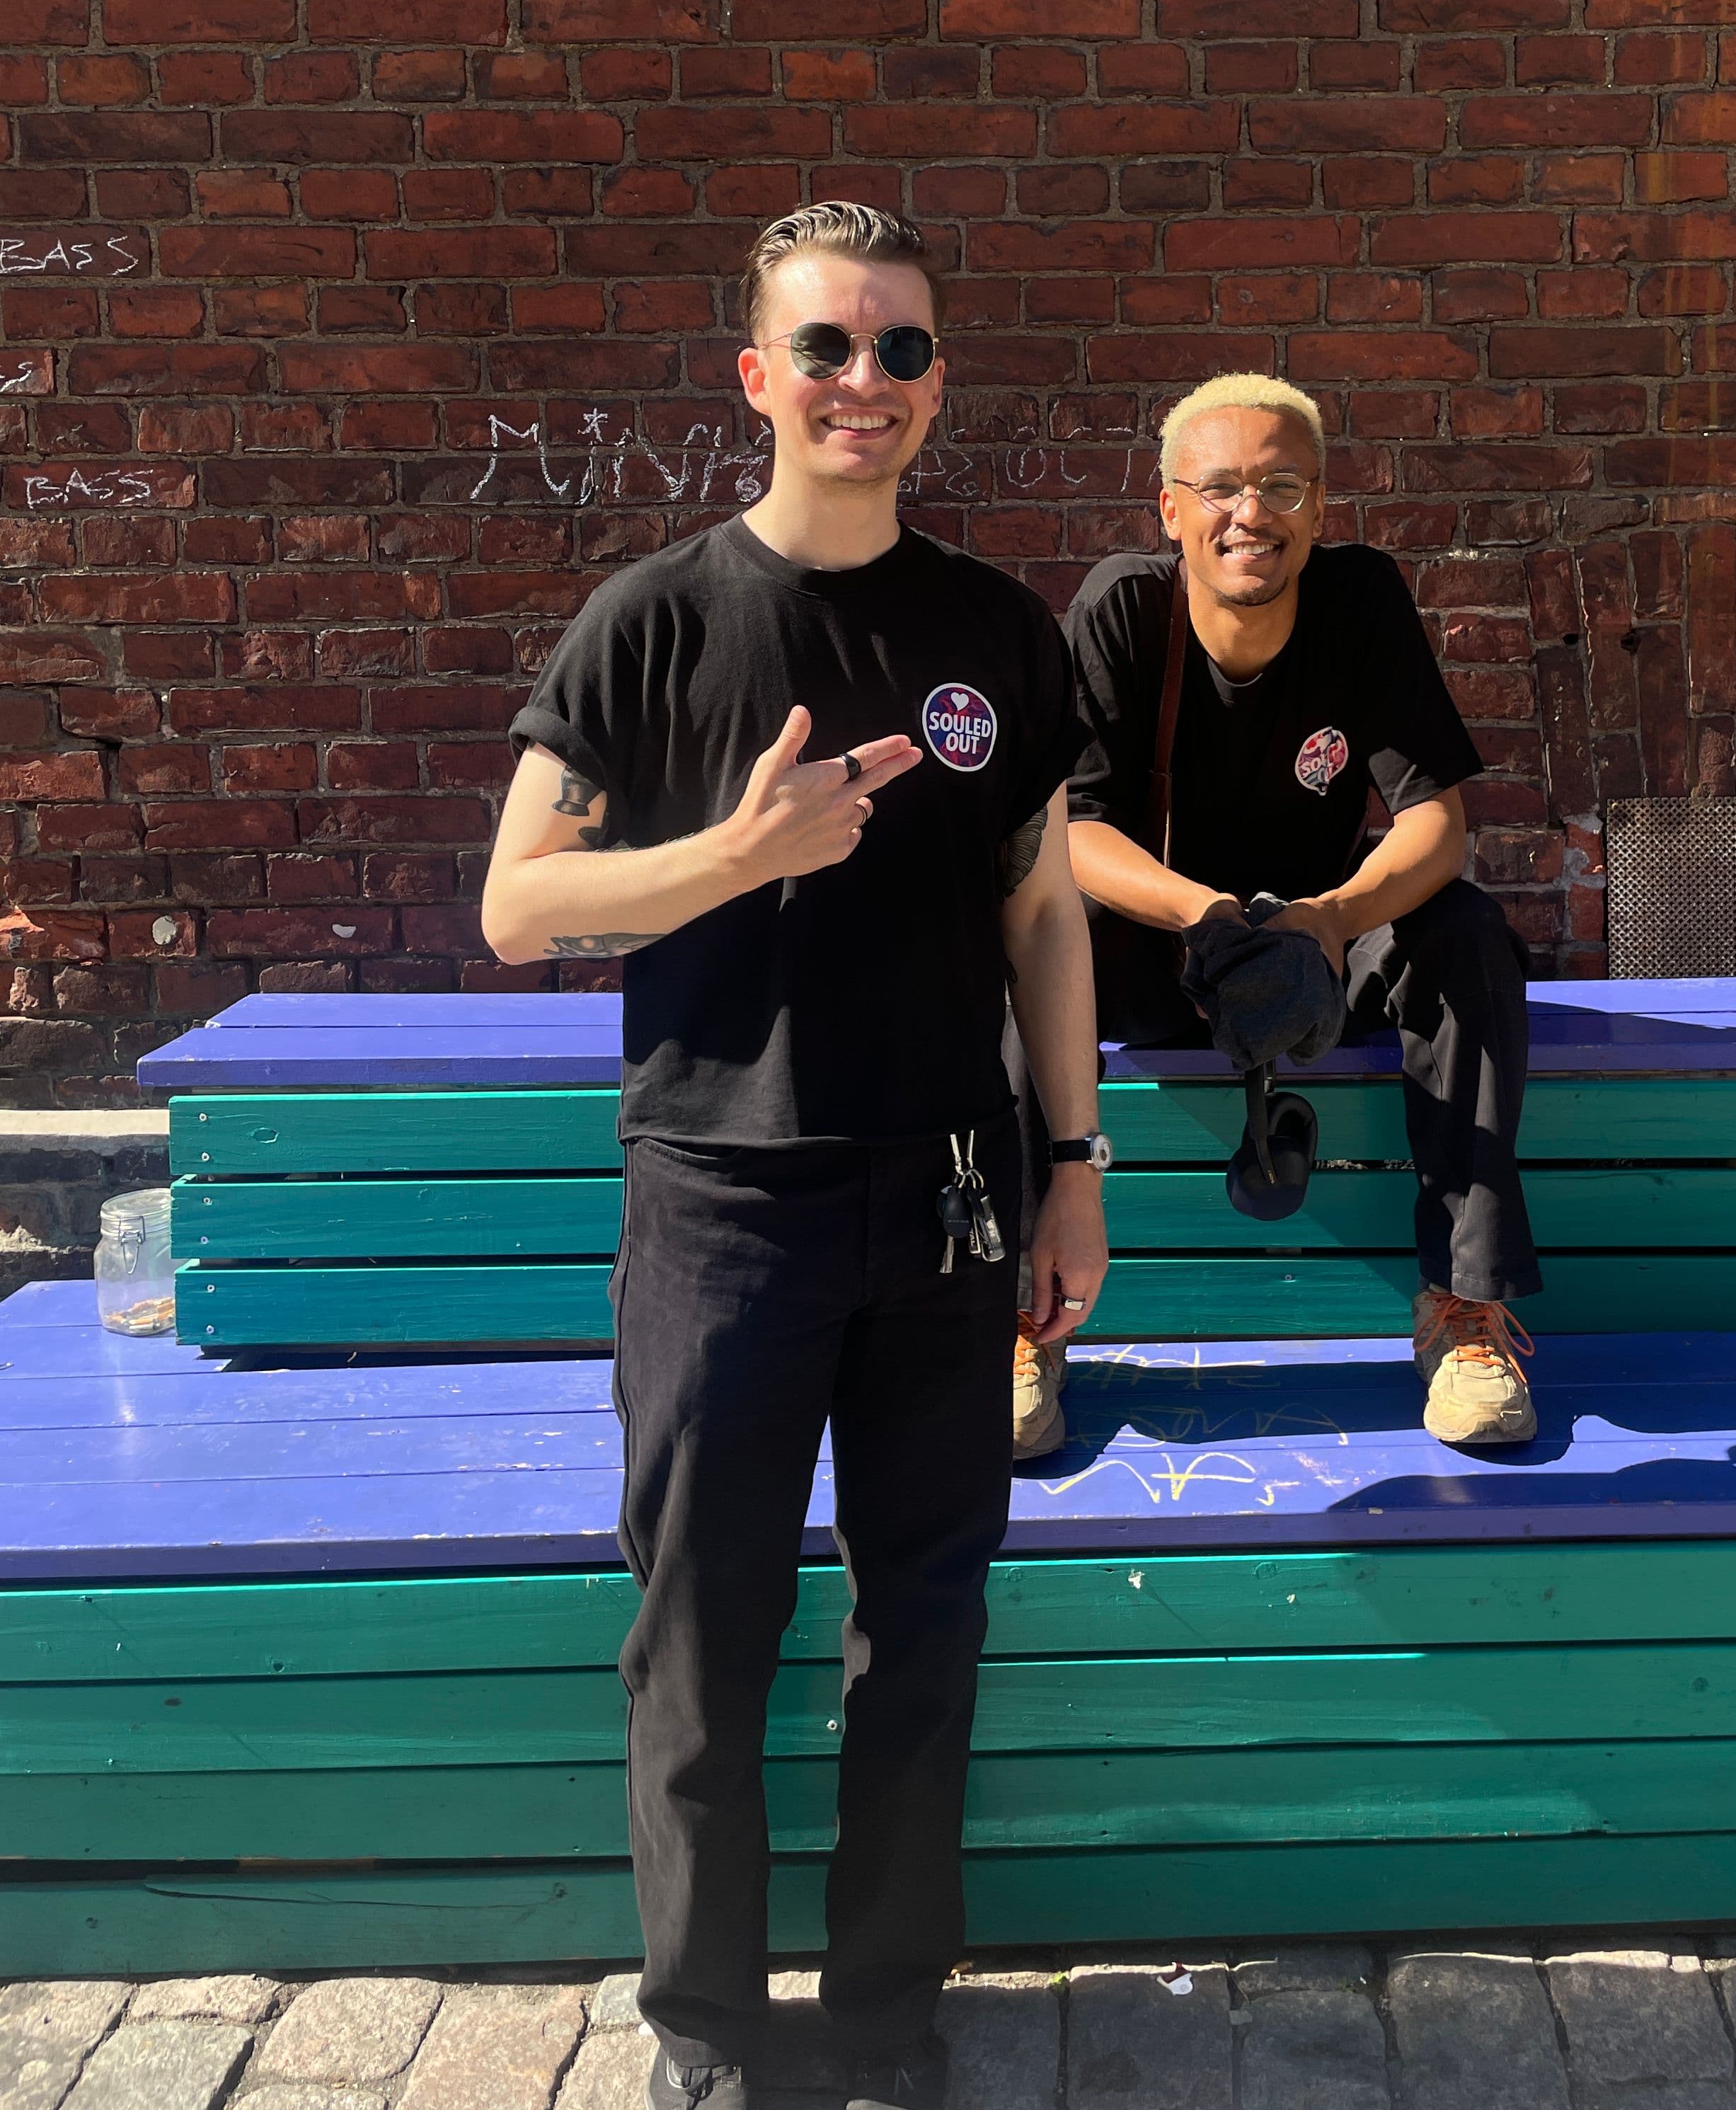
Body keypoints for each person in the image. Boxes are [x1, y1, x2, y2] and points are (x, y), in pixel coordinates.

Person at [482, 203, 1108, 2110]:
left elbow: (1043, 910)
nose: (866, 381)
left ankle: (888, 2018)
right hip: (721, 1208)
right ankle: (709, 2032)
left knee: (925, 1631)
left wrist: (1076, 1163)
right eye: (827, 346)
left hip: (948, 1205)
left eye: (902, 348)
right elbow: (518, 904)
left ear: (938, 382)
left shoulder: (995, 633)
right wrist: (736, 856)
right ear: (757, 377)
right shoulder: (656, 621)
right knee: (703, 1642)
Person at [1011, 369, 1536, 1462]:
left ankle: (1464, 1310)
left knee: (1465, 933)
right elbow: (1077, 832)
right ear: (1171, 509)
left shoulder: (1361, 601)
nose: (1251, 513)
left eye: (1282, 487)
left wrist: (1330, 920)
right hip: (1164, 942)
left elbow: (1437, 823)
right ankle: (1022, 1318)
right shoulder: (1123, 608)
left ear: (1320, 506)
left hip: (1316, 954)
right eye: (1221, 488)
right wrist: (1205, 914)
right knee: (1023, 940)